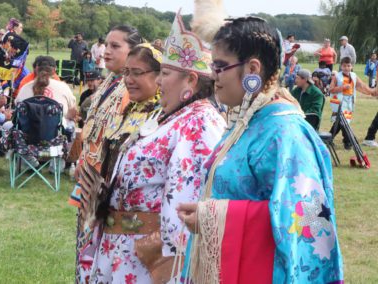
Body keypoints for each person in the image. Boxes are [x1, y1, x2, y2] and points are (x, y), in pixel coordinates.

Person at [176, 13, 344, 283]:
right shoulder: (248, 120)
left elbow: (305, 218)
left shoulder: (284, 132)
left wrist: (215, 218)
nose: (213, 76)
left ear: (252, 69)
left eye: (220, 67)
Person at [78, 12, 226, 283]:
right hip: (120, 250)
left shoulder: (200, 122)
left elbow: (187, 208)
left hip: (148, 261)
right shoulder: (169, 116)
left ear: (191, 80)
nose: (158, 81)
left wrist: (167, 263)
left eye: (165, 73)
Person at [68, 25, 143, 282]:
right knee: (85, 251)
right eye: (106, 45)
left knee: (97, 253)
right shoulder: (111, 82)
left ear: (133, 52)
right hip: (90, 179)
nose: (106, 51)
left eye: (115, 46)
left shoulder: (131, 90)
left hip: (105, 185)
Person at [329, 57, 376, 149]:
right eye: (344, 66)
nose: (346, 68)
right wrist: (341, 88)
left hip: (349, 102)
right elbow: (331, 90)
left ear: (351, 66)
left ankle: (329, 138)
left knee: (340, 122)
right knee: (343, 122)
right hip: (339, 102)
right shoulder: (337, 77)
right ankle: (348, 141)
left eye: (348, 66)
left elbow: (361, 86)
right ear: (341, 66)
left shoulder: (354, 75)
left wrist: (371, 92)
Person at [16, 62, 77, 127]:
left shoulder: (25, 87)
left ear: (36, 70)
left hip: (27, 131)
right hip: (55, 132)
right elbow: (73, 111)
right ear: (54, 71)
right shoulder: (63, 86)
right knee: (71, 123)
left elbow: (17, 107)